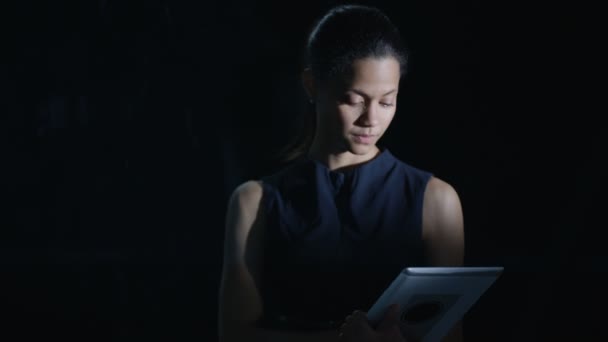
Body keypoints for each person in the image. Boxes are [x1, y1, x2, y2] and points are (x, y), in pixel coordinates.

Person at [218, 4, 464, 342]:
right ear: (311, 85)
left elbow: (450, 335)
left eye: (387, 101)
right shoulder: (254, 202)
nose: (371, 120)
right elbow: (234, 336)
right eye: (354, 99)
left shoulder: (436, 200)